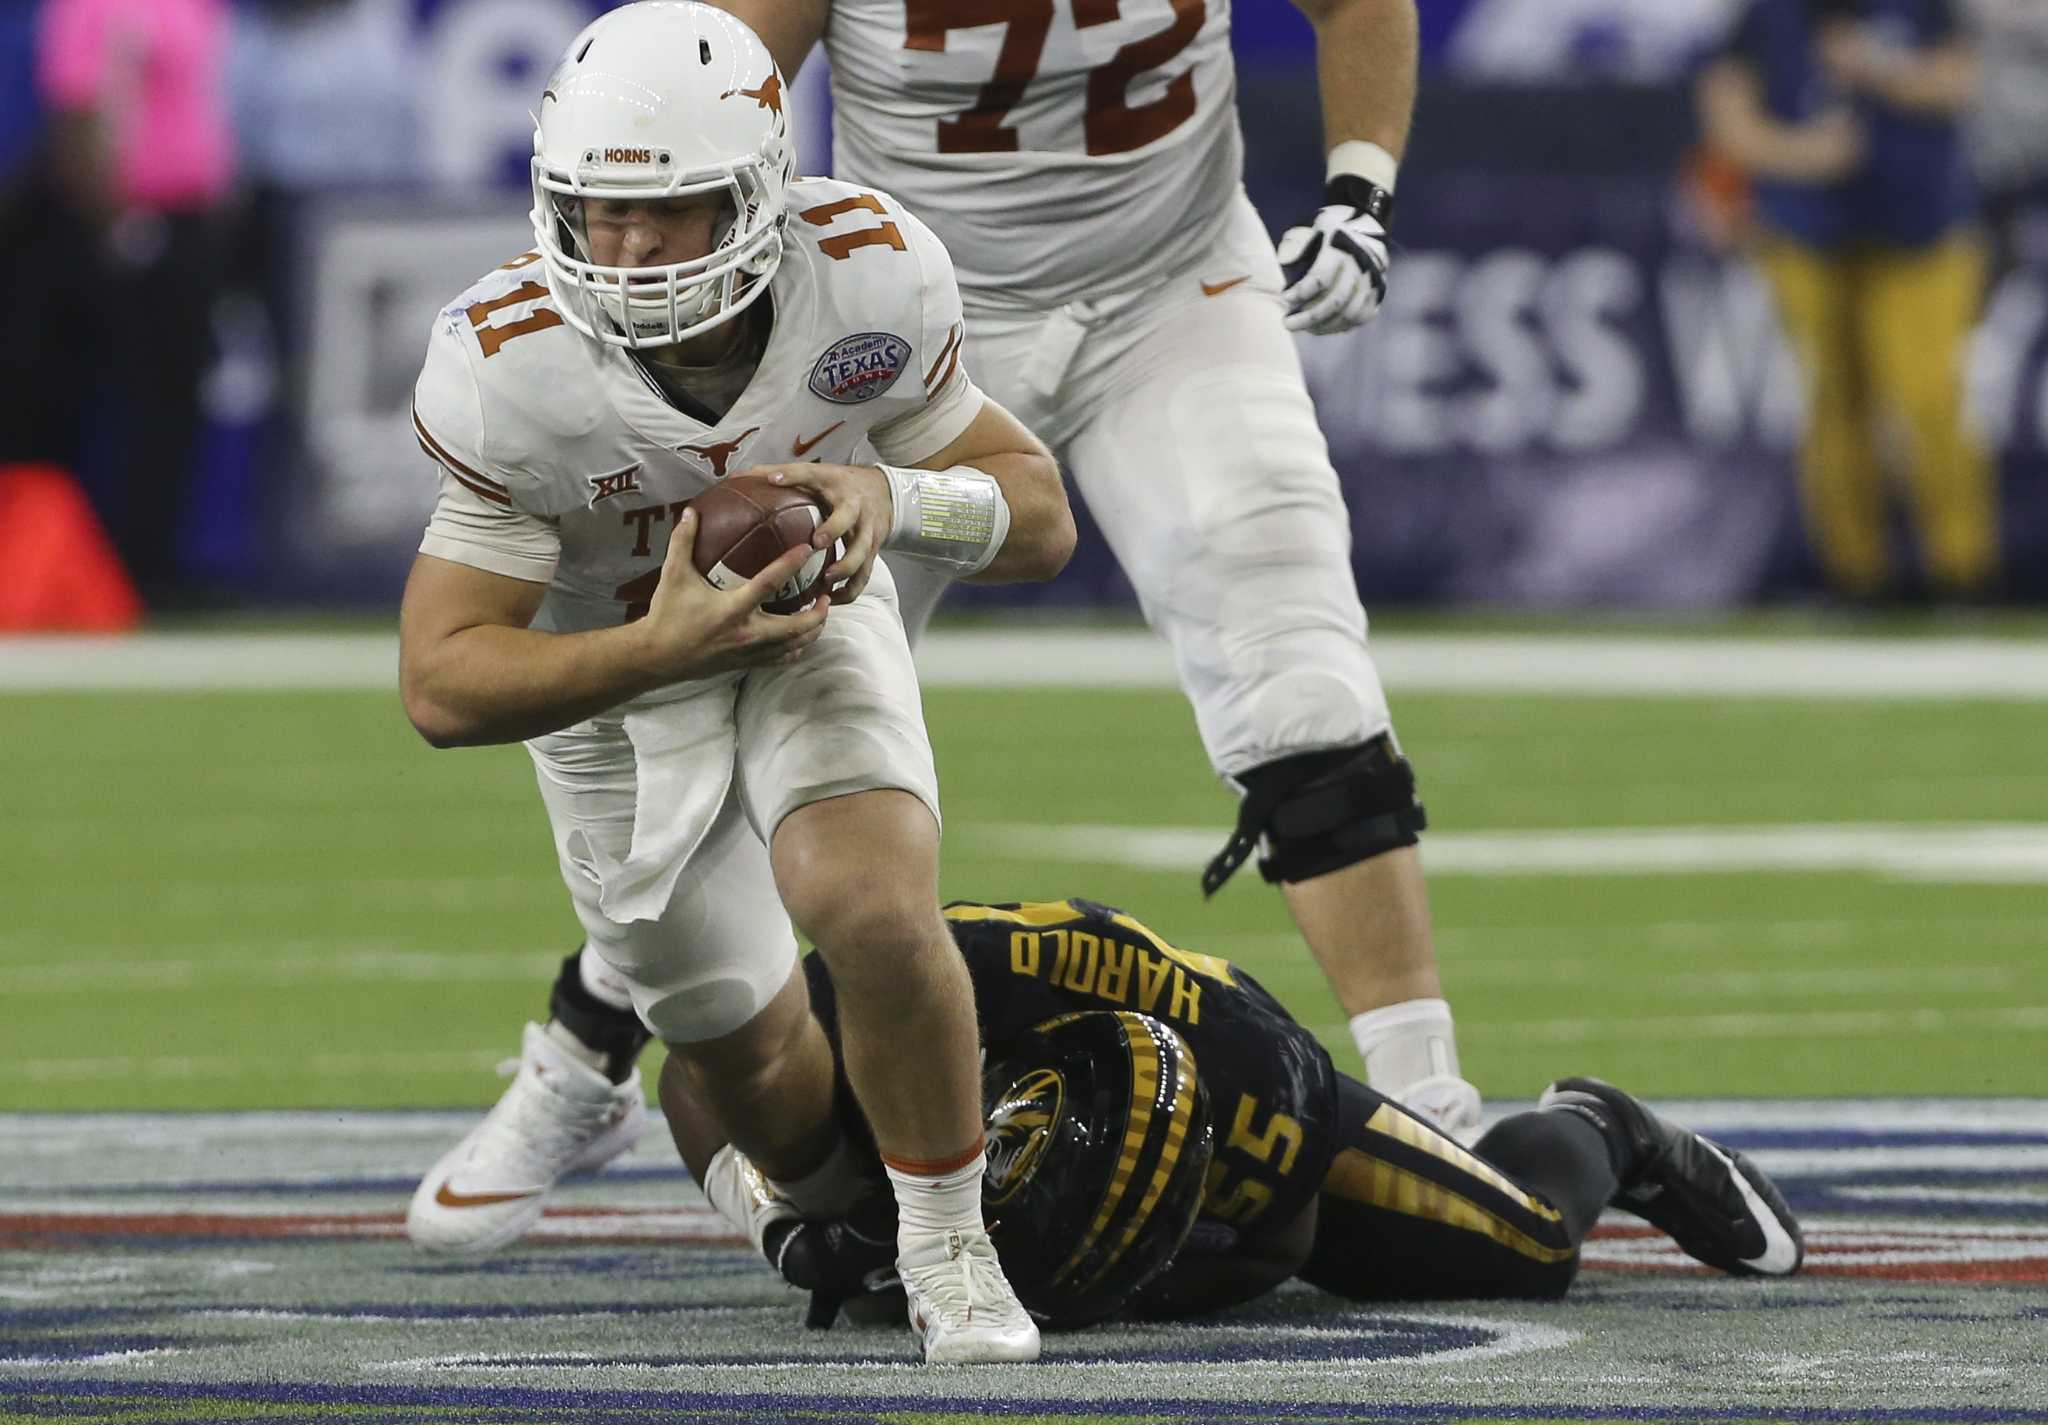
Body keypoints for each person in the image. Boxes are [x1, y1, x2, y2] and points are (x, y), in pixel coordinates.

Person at [406, 0, 1487, 1265]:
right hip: (903, 320)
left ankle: (1429, 1096)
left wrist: (1360, 186)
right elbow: (701, 98)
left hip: (1170, 281)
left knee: (1291, 649)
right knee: (729, 714)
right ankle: (588, 1056)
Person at [397, 2, 1077, 1364]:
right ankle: (806, 1198)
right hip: (612, 682)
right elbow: (443, 680)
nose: (630, 252)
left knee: (869, 902)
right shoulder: (506, 362)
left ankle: (953, 1240)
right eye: (600, 215)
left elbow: (1040, 515)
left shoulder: (869, 278)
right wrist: (655, 649)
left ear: (762, 192)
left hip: (807, 622)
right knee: (737, 1047)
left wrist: (896, 494)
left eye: (675, 213)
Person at [669, 899, 1805, 1329]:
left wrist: (1094, 1277)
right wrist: (782, 1215)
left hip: (1272, 1108)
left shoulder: (1266, 1122)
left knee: (1531, 1247)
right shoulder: (944, 986)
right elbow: (693, 1065)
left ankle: (1605, 1127)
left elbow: (1274, 1253)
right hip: (1117, 1041)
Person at [1697, 0, 1998, 604]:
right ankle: (1857, 578)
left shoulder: (1921, 7)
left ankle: (1963, 575)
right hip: (1809, 233)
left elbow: (1960, 82)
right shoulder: (1766, 15)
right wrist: (1803, 154)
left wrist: (1874, 66)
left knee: (1927, 395)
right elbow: (1727, 118)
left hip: (1919, 230)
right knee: (1834, 403)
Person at [18, 0, 235, 609]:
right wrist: (114, 216)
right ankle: (104, 567)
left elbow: (204, 101)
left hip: (191, 221)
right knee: (116, 400)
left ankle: (158, 561)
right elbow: (80, 111)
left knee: (174, 401)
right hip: (124, 218)